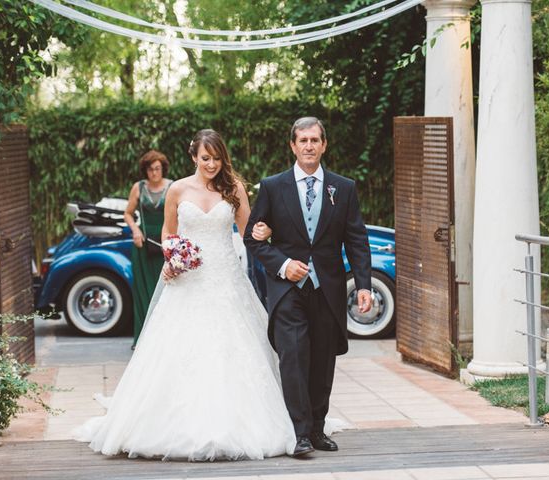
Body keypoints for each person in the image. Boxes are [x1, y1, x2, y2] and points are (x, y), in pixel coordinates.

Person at [73, 129, 296, 461]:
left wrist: (266, 230)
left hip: (225, 280)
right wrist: (172, 254)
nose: (211, 164)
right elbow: (167, 230)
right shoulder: (177, 189)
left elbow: (250, 231)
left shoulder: (233, 188)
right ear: (193, 157)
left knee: (233, 348)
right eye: (205, 158)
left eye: (217, 158)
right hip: (187, 280)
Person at [244, 117, 372, 457]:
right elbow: (252, 241)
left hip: (327, 290)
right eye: (302, 140)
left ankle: (317, 428)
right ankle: (299, 433)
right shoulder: (273, 187)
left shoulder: (343, 188)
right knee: (294, 359)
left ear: (324, 144)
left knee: (322, 362)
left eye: (315, 140)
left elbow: (356, 239)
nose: (309, 146)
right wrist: (284, 265)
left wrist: (363, 284)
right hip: (288, 292)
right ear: (293, 145)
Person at [123, 150, 173, 347]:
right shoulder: (139, 187)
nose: (154, 173)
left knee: (166, 290)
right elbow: (127, 213)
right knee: (144, 291)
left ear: (163, 169)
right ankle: (144, 339)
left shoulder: (172, 187)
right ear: (145, 170)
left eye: (158, 169)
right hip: (143, 244)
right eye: (151, 169)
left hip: (165, 243)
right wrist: (135, 230)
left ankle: (164, 338)